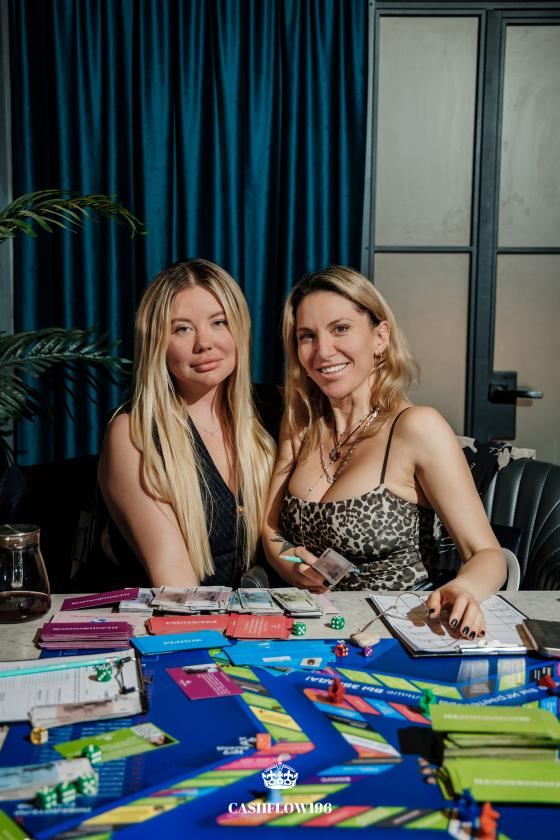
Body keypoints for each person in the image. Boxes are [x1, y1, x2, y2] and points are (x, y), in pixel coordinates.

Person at [262, 266, 506, 637]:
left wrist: (464, 588)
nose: (323, 351)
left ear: (380, 337)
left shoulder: (416, 427)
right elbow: (270, 528)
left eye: (340, 329)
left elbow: (487, 555)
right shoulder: (300, 423)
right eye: (307, 336)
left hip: (401, 632)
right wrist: (290, 564)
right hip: (315, 631)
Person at [98, 258, 275, 588]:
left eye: (219, 322)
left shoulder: (269, 414)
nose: (204, 343)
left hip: (263, 616)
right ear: (157, 343)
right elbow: (177, 582)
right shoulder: (134, 434)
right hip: (179, 616)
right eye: (182, 328)